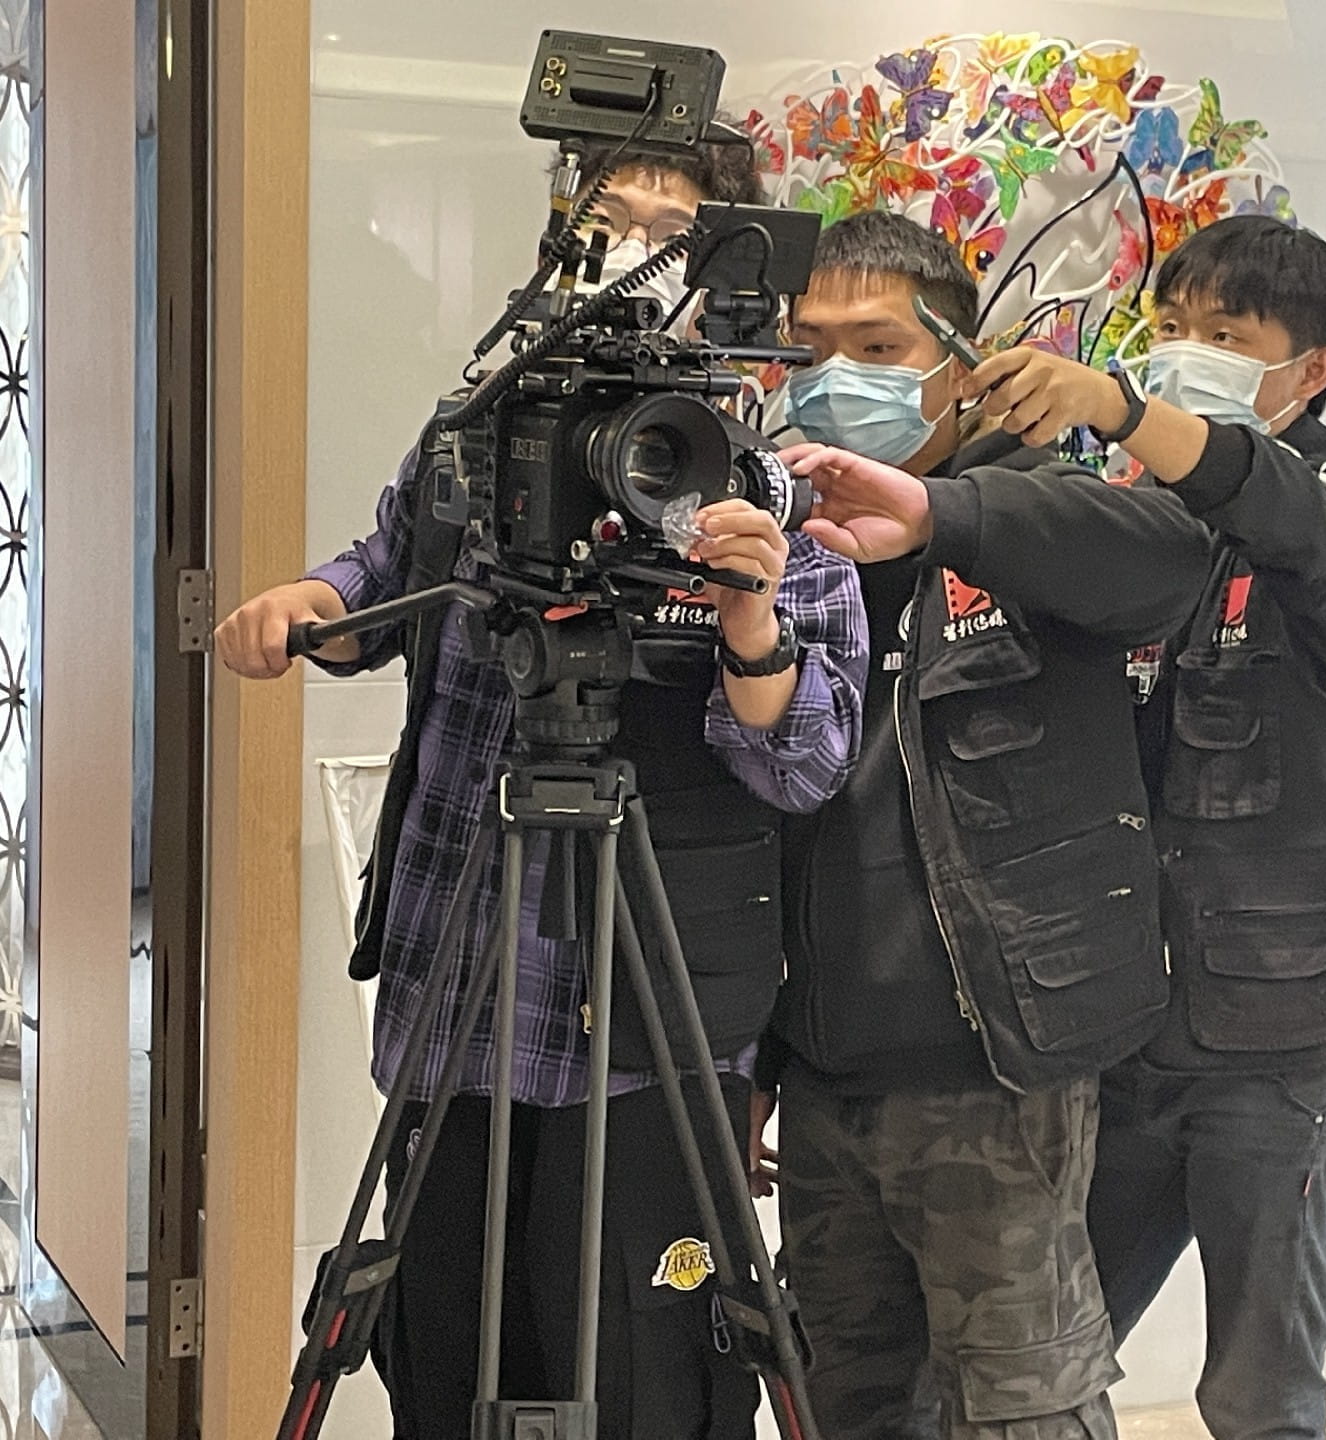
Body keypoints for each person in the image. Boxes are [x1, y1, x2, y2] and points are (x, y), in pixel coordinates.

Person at [213, 138, 868, 1440]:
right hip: (458, 987)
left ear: (728, 269)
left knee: (647, 1383)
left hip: (655, 1025)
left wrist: (747, 617)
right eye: (611, 219)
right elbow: (384, 572)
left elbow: (804, 764)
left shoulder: (760, 490)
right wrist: (308, 605)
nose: (635, 256)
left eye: (674, 233)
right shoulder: (474, 433)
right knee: (445, 1354)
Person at [947, 215, 1326, 1440]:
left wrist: (1118, 406)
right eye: (1168, 328)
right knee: (1044, 1359)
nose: (1182, 352)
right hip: (1127, 1027)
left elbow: (1275, 501)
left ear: (1312, 368)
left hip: (1292, 1039)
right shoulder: (1139, 527)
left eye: (1226, 335)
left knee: (1258, 1391)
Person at [753, 210, 1216, 1440]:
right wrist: (753, 1061)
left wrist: (937, 515)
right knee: (840, 1402)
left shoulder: (1028, 505)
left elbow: (1168, 563)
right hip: (825, 1076)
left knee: (1021, 1408)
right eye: (812, 349)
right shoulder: (778, 539)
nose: (838, 378)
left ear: (960, 364)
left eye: (880, 348)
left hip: (997, 1065)